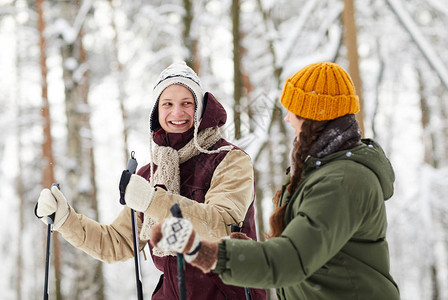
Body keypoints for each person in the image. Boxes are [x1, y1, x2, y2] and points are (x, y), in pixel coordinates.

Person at [150, 62, 401, 300]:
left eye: (294, 111)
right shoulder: (321, 172)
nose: (287, 118)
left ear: (315, 116)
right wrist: (243, 250)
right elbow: (304, 250)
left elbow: (291, 260)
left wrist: (201, 250)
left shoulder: (342, 181)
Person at [36, 62, 266, 300]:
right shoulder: (151, 174)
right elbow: (118, 242)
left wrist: (152, 200)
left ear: (200, 109)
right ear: (156, 112)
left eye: (187, 103)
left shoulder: (229, 160)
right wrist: (65, 219)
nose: (177, 113)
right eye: (167, 104)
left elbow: (222, 226)